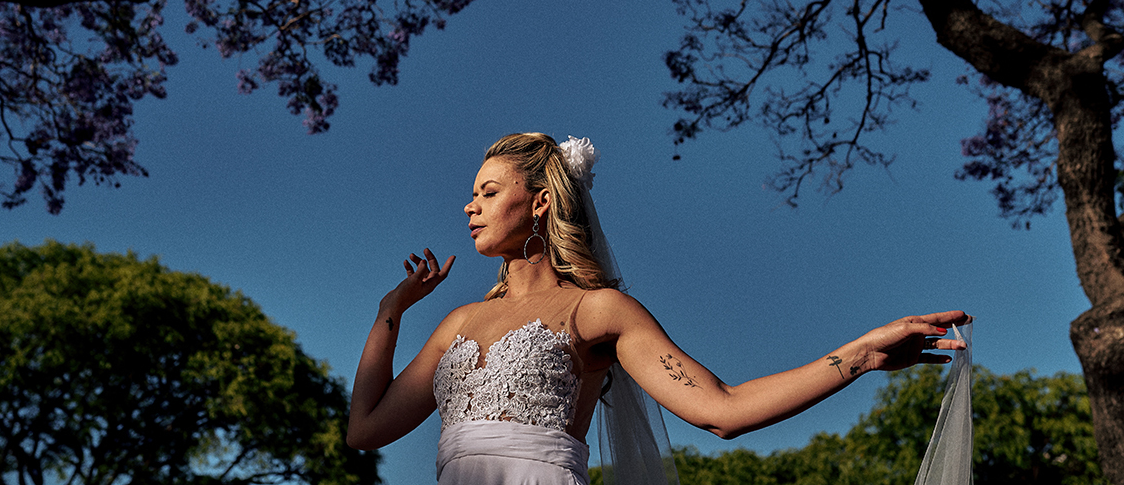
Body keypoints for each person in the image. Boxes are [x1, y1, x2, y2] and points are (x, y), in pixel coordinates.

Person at [347, 133, 969, 485]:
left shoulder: (597, 311)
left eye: (487, 191)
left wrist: (857, 355)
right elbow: (365, 430)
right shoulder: (458, 324)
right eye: (471, 195)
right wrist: (389, 314)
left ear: (538, 203)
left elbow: (721, 411)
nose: (469, 207)